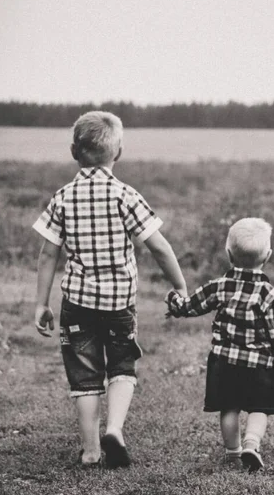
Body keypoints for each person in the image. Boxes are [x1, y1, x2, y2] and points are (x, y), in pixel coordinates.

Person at [33, 110, 187, 469]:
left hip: (77, 303)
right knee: (121, 367)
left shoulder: (63, 198)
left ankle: (90, 450)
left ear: (74, 151)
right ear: (119, 152)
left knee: (85, 376)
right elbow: (159, 247)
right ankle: (114, 430)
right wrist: (179, 285)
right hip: (119, 303)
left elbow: (47, 255)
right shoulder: (126, 195)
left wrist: (41, 303)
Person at [166, 217, 274, 472]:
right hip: (259, 365)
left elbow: (190, 306)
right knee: (259, 408)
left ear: (228, 253)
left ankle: (232, 452)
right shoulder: (270, 295)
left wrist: (174, 300)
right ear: (268, 256)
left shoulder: (220, 286)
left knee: (229, 406)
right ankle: (252, 444)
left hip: (224, 363)